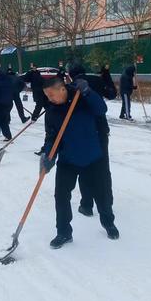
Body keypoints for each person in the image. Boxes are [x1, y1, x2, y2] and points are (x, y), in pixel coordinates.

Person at [40, 77, 119, 249]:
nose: (49, 99)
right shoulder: (52, 111)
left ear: (62, 89)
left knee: (102, 193)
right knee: (61, 196)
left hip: (92, 157)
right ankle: (63, 232)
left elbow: (101, 109)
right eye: (47, 96)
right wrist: (48, 154)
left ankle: (108, 223)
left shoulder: (82, 98)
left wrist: (88, 92)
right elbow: (51, 136)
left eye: (51, 95)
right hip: (68, 159)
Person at [67, 63, 117, 217]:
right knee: (103, 168)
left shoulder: (71, 86)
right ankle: (107, 202)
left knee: (85, 167)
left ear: (70, 74)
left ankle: (87, 205)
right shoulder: (96, 80)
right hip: (101, 129)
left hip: (83, 132)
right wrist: (106, 75)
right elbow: (112, 94)